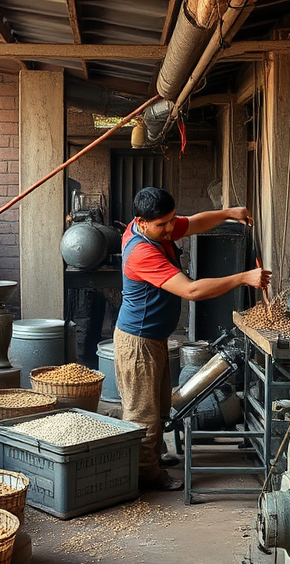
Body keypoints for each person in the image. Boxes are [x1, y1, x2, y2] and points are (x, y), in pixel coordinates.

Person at [114, 187, 271, 491]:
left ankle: (153, 458)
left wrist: (228, 213)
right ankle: (145, 476)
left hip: (154, 337)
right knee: (141, 413)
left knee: (159, 406)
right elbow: (192, 291)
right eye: (163, 224)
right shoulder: (141, 250)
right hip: (138, 343)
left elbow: (196, 223)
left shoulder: (158, 230)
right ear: (141, 222)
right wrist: (243, 277)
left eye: (172, 220)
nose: (172, 228)